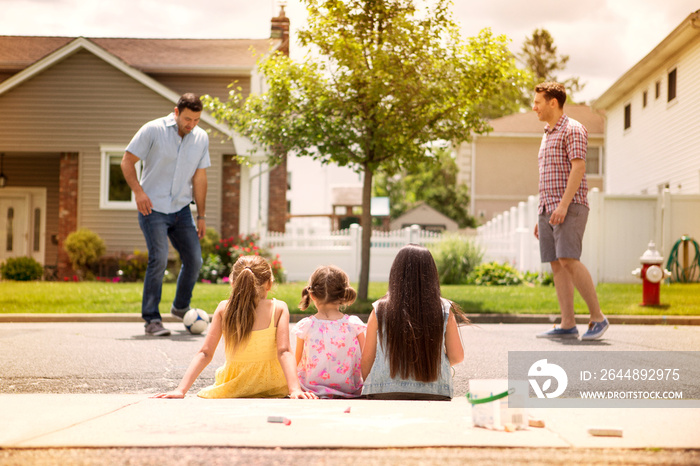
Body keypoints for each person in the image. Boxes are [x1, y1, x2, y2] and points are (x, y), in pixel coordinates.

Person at [153, 255, 317, 399]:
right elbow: (284, 352)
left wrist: (180, 390)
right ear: (269, 284)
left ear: (233, 283)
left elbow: (205, 353)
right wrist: (294, 389)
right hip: (273, 385)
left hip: (235, 385)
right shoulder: (279, 308)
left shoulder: (224, 308)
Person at [121, 93, 210, 336]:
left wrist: (201, 216)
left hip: (181, 209)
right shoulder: (153, 130)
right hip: (152, 208)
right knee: (159, 259)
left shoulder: (201, 138)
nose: (191, 125)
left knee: (194, 259)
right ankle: (152, 319)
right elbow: (127, 161)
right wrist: (138, 192)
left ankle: (181, 307)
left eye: (197, 120)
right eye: (187, 119)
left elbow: (200, 177)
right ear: (176, 112)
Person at [532, 82, 609, 340]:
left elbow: (578, 168)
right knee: (556, 264)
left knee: (568, 259)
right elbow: (547, 175)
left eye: (538, 102)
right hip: (548, 207)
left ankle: (598, 318)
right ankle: (567, 323)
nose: (534, 107)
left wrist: (563, 205)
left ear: (553, 102)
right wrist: (540, 211)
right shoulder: (546, 133)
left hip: (570, 205)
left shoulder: (573, 129)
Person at [361, 244, 464, 400]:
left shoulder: (379, 309)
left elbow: (367, 359)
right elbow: (457, 356)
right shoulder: (444, 309)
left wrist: (373, 385)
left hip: (384, 391)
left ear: (395, 273)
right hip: (435, 392)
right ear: (431, 274)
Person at [294, 266, 366, 398]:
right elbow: (367, 359)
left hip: (310, 390)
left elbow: (295, 362)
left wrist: (294, 389)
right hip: (349, 389)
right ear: (344, 295)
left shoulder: (306, 326)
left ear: (312, 295)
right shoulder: (354, 324)